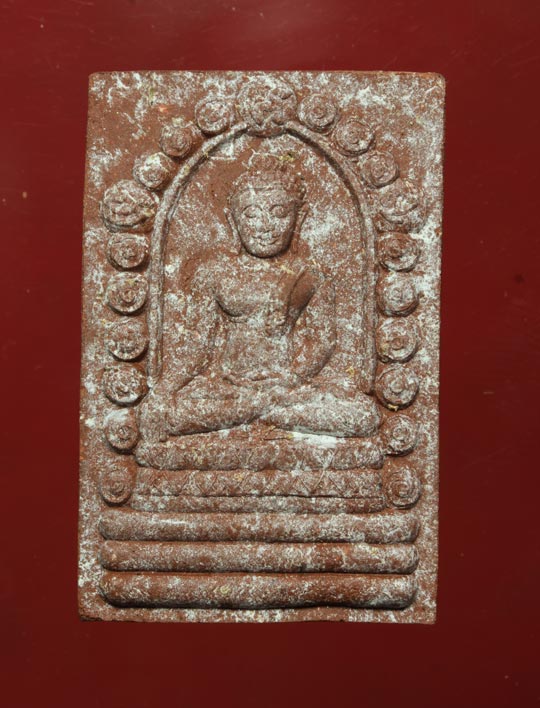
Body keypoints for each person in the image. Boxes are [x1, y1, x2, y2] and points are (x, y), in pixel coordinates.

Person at [139, 153, 379, 442]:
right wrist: (164, 391)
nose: (265, 226)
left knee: (364, 416)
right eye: (251, 214)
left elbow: (322, 341)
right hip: (227, 387)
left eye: (279, 213)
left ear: (299, 218)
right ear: (232, 220)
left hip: (286, 388)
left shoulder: (311, 276)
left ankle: (256, 412)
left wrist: (291, 379)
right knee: (168, 413)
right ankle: (261, 411)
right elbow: (197, 347)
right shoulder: (213, 273)